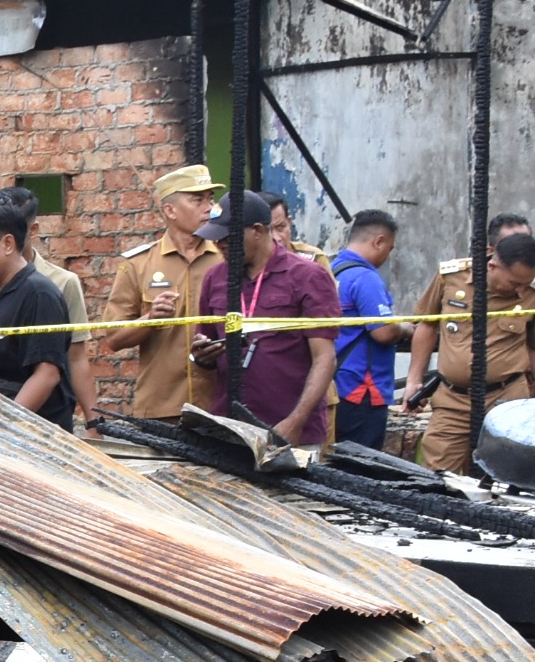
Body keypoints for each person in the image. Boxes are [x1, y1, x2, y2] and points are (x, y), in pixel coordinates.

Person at [186, 190, 339, 446]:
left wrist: (296, 421)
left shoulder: (307, 276)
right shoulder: (216, 278)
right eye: (216, 237)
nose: (219, 244)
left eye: (227, 237)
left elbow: (325, 357)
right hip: (230, 428)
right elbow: (206, 345)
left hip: (290, 428)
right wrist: (201, 356)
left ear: (257, 231)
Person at [0, 184, 97, 424]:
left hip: (34, 436)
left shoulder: (39, 294)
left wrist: (4, 425)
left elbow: (47, 374)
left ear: (8, 244)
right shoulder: (1, 291)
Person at [100, 163, 227, 419]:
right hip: (163, 408)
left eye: (210, 199)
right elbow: (112, 338)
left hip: (220, 404)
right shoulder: (139, 264)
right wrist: (150, 319)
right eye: (197, 200)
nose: (209, 208)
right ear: (170, 210)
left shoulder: (226, 259)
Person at [406, 231, 535, 472]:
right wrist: (414, 379)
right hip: (453, 399)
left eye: (525, 284)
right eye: (514, 282)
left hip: (507, 400)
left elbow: (533, 347)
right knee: (438, 477)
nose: (520, 290)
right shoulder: (451, 277)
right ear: (492, 264)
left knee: (507, 480)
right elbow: (427, 325)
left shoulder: (531, 294)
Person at [331, 209, 402, 449]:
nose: (387, 255)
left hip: (335, 384)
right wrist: (405, 329)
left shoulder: (332, 271)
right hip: (362, 388)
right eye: (389, 248)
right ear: (379, 241)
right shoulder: (365, 278)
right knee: (361, 463)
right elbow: (383, 332)